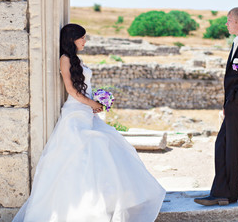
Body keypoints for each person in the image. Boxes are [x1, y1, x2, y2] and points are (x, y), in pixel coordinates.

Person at [13, 24, 165, 221]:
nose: (85, 41)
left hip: (88, 112)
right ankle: (86, 205)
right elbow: (71, 90)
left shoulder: (78, 59)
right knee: (92, 147)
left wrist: (98, 101)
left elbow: (84, 87)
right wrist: (92, 102)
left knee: (113, 144)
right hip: (75, 113)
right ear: (72, 39)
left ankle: (113, 201)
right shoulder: (64, 59)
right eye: (82, 38)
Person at [194, 7, 238, 206]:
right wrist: (228, 104)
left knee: (230, 148)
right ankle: (221, 192)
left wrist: (236, 100)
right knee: (223, 146)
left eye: (229, 20)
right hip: (234, 105)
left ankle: (226, 194)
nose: (226, 23)